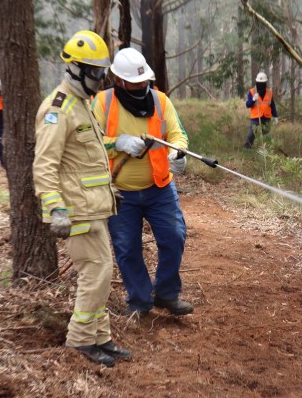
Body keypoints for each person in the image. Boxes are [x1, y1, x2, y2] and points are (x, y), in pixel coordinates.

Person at [33, 30, 129, 367]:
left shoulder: (82, 106)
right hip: (75, 211)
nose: (100, 80)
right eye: (95, 73)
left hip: (95, 207)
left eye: (102, 73)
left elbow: (94, 150)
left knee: (102, 273)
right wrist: (55, 209)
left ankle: (100, 337)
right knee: (95, 273)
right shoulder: (57, 110)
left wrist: (119, 143)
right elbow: (44, 165)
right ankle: (79, 340)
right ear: (75, 69)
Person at [95, 47, 192, 317]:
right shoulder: (102, 103)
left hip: (160, 188)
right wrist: (119, 144)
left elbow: (177, 133)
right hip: (120, 193)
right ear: (119, 80)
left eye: (144, 81)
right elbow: (90, 143)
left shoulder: (161, 100)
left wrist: (178, 152)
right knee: (127, 248)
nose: (141, 86)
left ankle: (166, 294)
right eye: (135, 82)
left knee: (174, 236)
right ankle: (139, 300)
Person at [244, 71, 278, 149]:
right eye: (259, 82)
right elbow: (248, 105)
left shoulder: (269, 92)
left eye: (262, 83)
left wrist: (275, 116)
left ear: (265, 82)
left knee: (266, 136)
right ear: (257, 82)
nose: (261, 84)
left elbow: (272, 105)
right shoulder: (252, 91)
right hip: (255, 117)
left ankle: (266, 152)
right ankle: (246, 150)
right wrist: (253, 99)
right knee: (251, 135)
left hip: (266, 118)